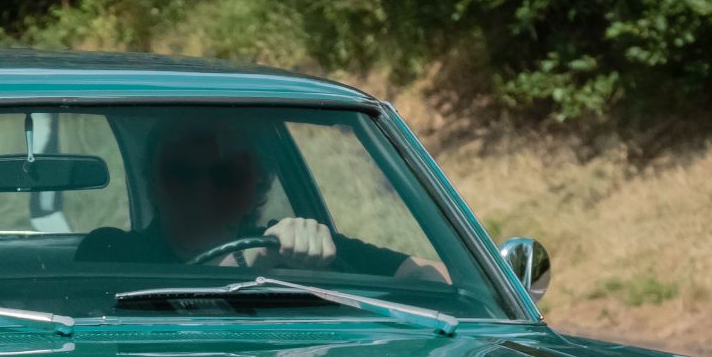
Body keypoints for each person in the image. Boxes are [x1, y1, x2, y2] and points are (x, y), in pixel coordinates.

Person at [74, 117, 447, 281]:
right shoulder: (111, 251)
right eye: (181, 173)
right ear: (152, 182)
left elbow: (439, 281)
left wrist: (321, 263)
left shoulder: (290, 244)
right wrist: (249, 260)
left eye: (227, 176)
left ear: (259, 188)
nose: (202, 191)